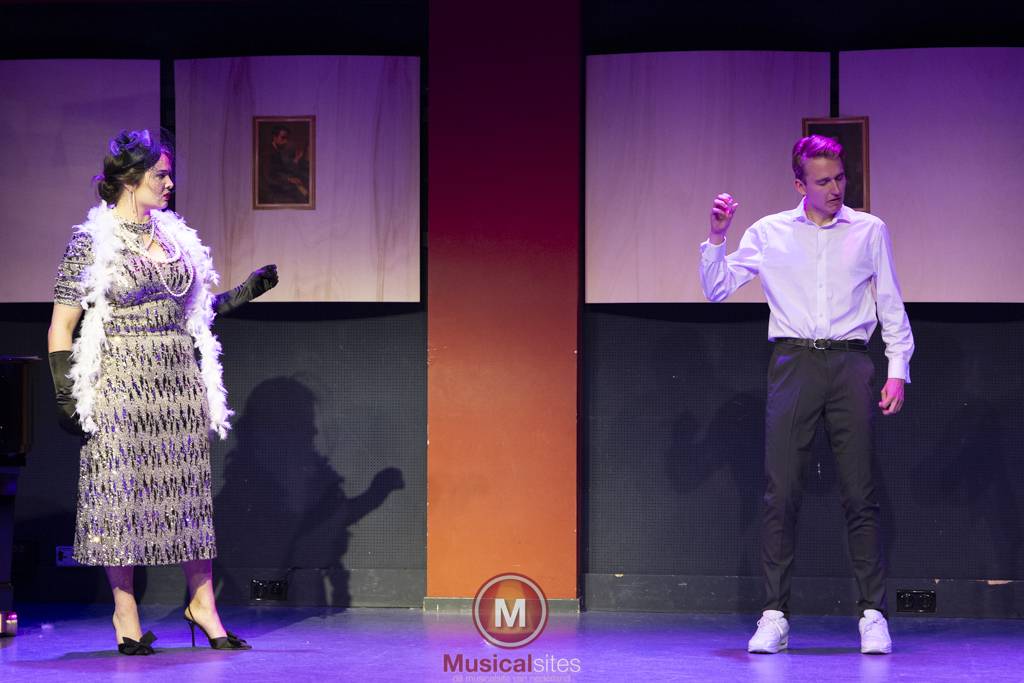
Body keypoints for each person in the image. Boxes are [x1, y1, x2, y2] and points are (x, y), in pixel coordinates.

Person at [47, 129, 278, 655]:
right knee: (120, 494)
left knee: (188, 494)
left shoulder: (176, 237)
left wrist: (241, 294)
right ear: (130, 180)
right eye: (161, 175)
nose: (170, 183)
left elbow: (193, 311)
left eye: (169, 175)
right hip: (120, 382)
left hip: (177, 384)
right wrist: (64, 392)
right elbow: (62, 325)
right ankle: (125, 612)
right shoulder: (91, 242)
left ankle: (203, 605)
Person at [698, 135, 914, 655]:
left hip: (850, 363)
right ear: (800, 185)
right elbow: (717, 288)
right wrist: (717, 237)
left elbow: (889, 301)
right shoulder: (769, 232)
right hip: (793, 363)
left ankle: (872, 614)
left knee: (860, 492)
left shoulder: (869, 230)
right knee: (781, 492)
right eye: (823, 181)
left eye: (839, 178)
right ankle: (774, 616)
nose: (835, 188)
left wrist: (897, 369)